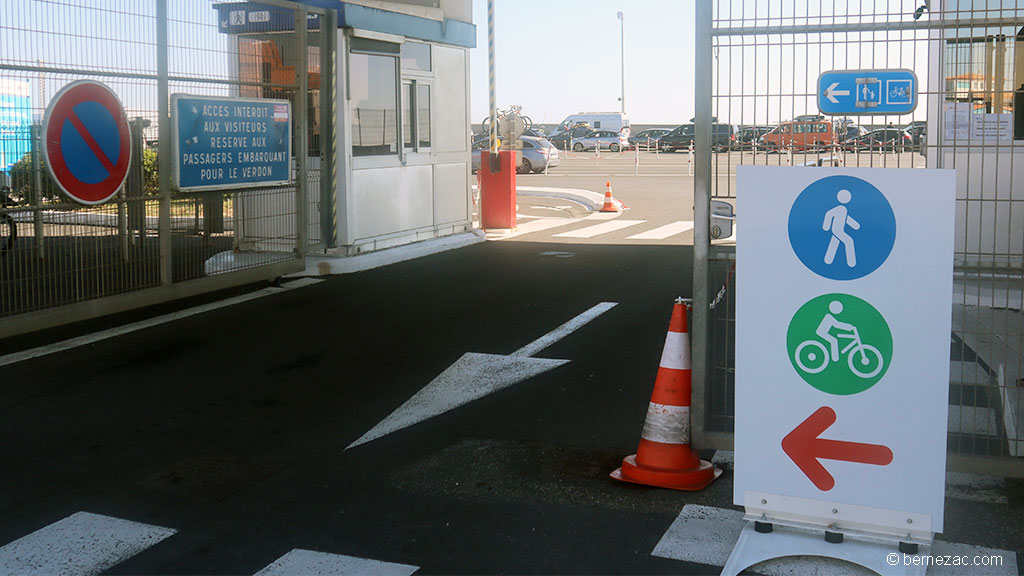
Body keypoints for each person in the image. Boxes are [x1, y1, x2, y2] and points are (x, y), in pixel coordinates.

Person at [823, 189, 859, 267]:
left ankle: (828, 260)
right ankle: (851, 263)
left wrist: (855, 225)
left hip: (837, 231)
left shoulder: (843, 209)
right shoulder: (839, 209)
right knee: (849, 241)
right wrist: (826, 226)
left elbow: (846, 219)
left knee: (834, 242)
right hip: (837, 230)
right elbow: (829, 214)